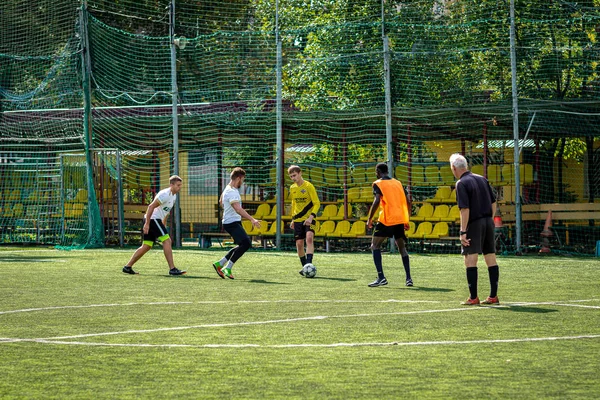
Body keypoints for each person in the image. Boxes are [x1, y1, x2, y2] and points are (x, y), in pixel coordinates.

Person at [450, 153, 500, 305]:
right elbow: (493, 202)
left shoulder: (461, 183)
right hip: (488, 221)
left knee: (470, 259)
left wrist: (463, 232)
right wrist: (490, 221)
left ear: (454, 168)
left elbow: (464, 209)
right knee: (490, 257)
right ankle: (493, 296)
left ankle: (473, 297)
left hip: (474, 223)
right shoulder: (481, 179)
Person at [122, 175, 186, 275]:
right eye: (178, 185)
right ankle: (172, 269)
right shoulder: (164, 194)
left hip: (156, 220)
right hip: (152, 219)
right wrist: (147, 224)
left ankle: (127, 267)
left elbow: (166, 211)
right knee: (167, 240)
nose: (180, 187)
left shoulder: (174, 196)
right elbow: (151, 206)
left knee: (147, 245)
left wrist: (163, 223)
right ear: (171, 185)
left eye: (180, 185)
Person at [366, 163, 413, 287]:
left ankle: (381, 277)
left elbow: (377, 201)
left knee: (375, 246)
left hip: (387, 219)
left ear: (378, 171)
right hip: (399, 219)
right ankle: (408, 278)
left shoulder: (378, 183)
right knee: (402, 248)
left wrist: (370, 218)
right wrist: (406, 219)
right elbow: (408, 201)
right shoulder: (398, 183)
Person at [213, 167, 261, 279]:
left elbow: (221, 202)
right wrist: (252, 219)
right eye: (242, 180)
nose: (242, 182)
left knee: (242, 244)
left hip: (232, 221)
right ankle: (228, 268)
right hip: (232, 222)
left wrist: (227, 210)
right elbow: (238, 209)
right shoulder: (231, 191)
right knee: (246, 244)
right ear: (238, 178)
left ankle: (220, 264)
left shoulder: (227, 189)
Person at [288, 165, 321, 275]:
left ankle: (308, 264)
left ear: (300, 173)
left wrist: (311, 217)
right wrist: (293, 219)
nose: (293, 178)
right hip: (297, 219)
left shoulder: (308, 186)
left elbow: (317, 203)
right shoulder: (292, 188)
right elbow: (294, 203)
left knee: (309, 238)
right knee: (299, 243)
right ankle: (305, 268)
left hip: (309, 218)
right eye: (291, 176)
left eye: (295, 175)